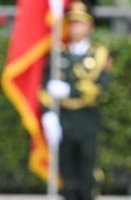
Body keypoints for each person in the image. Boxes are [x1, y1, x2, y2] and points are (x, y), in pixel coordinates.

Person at [40, 1, 112, 200]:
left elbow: (99, 87)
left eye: (80, 24)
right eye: (72, 23)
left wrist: (69, 90)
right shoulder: (58, 53)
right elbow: (44, 87)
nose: (75, 28)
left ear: (90, 26)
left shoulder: (99, 54)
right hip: (63, 118)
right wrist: (48, 114)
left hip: (86, 119)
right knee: (67, 174)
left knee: (86, 174)